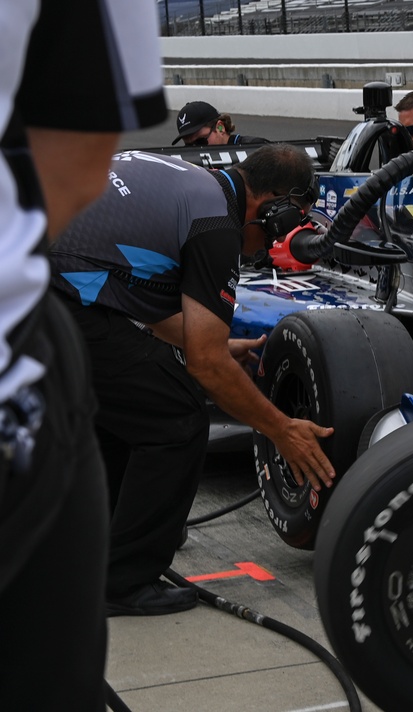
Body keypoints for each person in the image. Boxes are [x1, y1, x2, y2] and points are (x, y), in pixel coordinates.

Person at [49, 143, 336, 617]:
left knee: (127, 411)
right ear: (274, 207)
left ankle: (101, 546)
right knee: (176, 418)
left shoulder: (192, 183)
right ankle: (121, 582)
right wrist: (282, 429)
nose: (271, 246)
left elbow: (147, 307)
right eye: (285, 227)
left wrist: (215, 348)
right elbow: (204, 367)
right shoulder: (216, 226)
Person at [0, 0, 166, 709]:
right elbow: (75, 164)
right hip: (19, 374)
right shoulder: (205, 210)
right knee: (176, 416)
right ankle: (132, 575)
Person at [172, 100, 269, 146]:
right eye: (188, 145)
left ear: (220, 128)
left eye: (201, 141)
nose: (195, 148)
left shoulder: (255, 148)